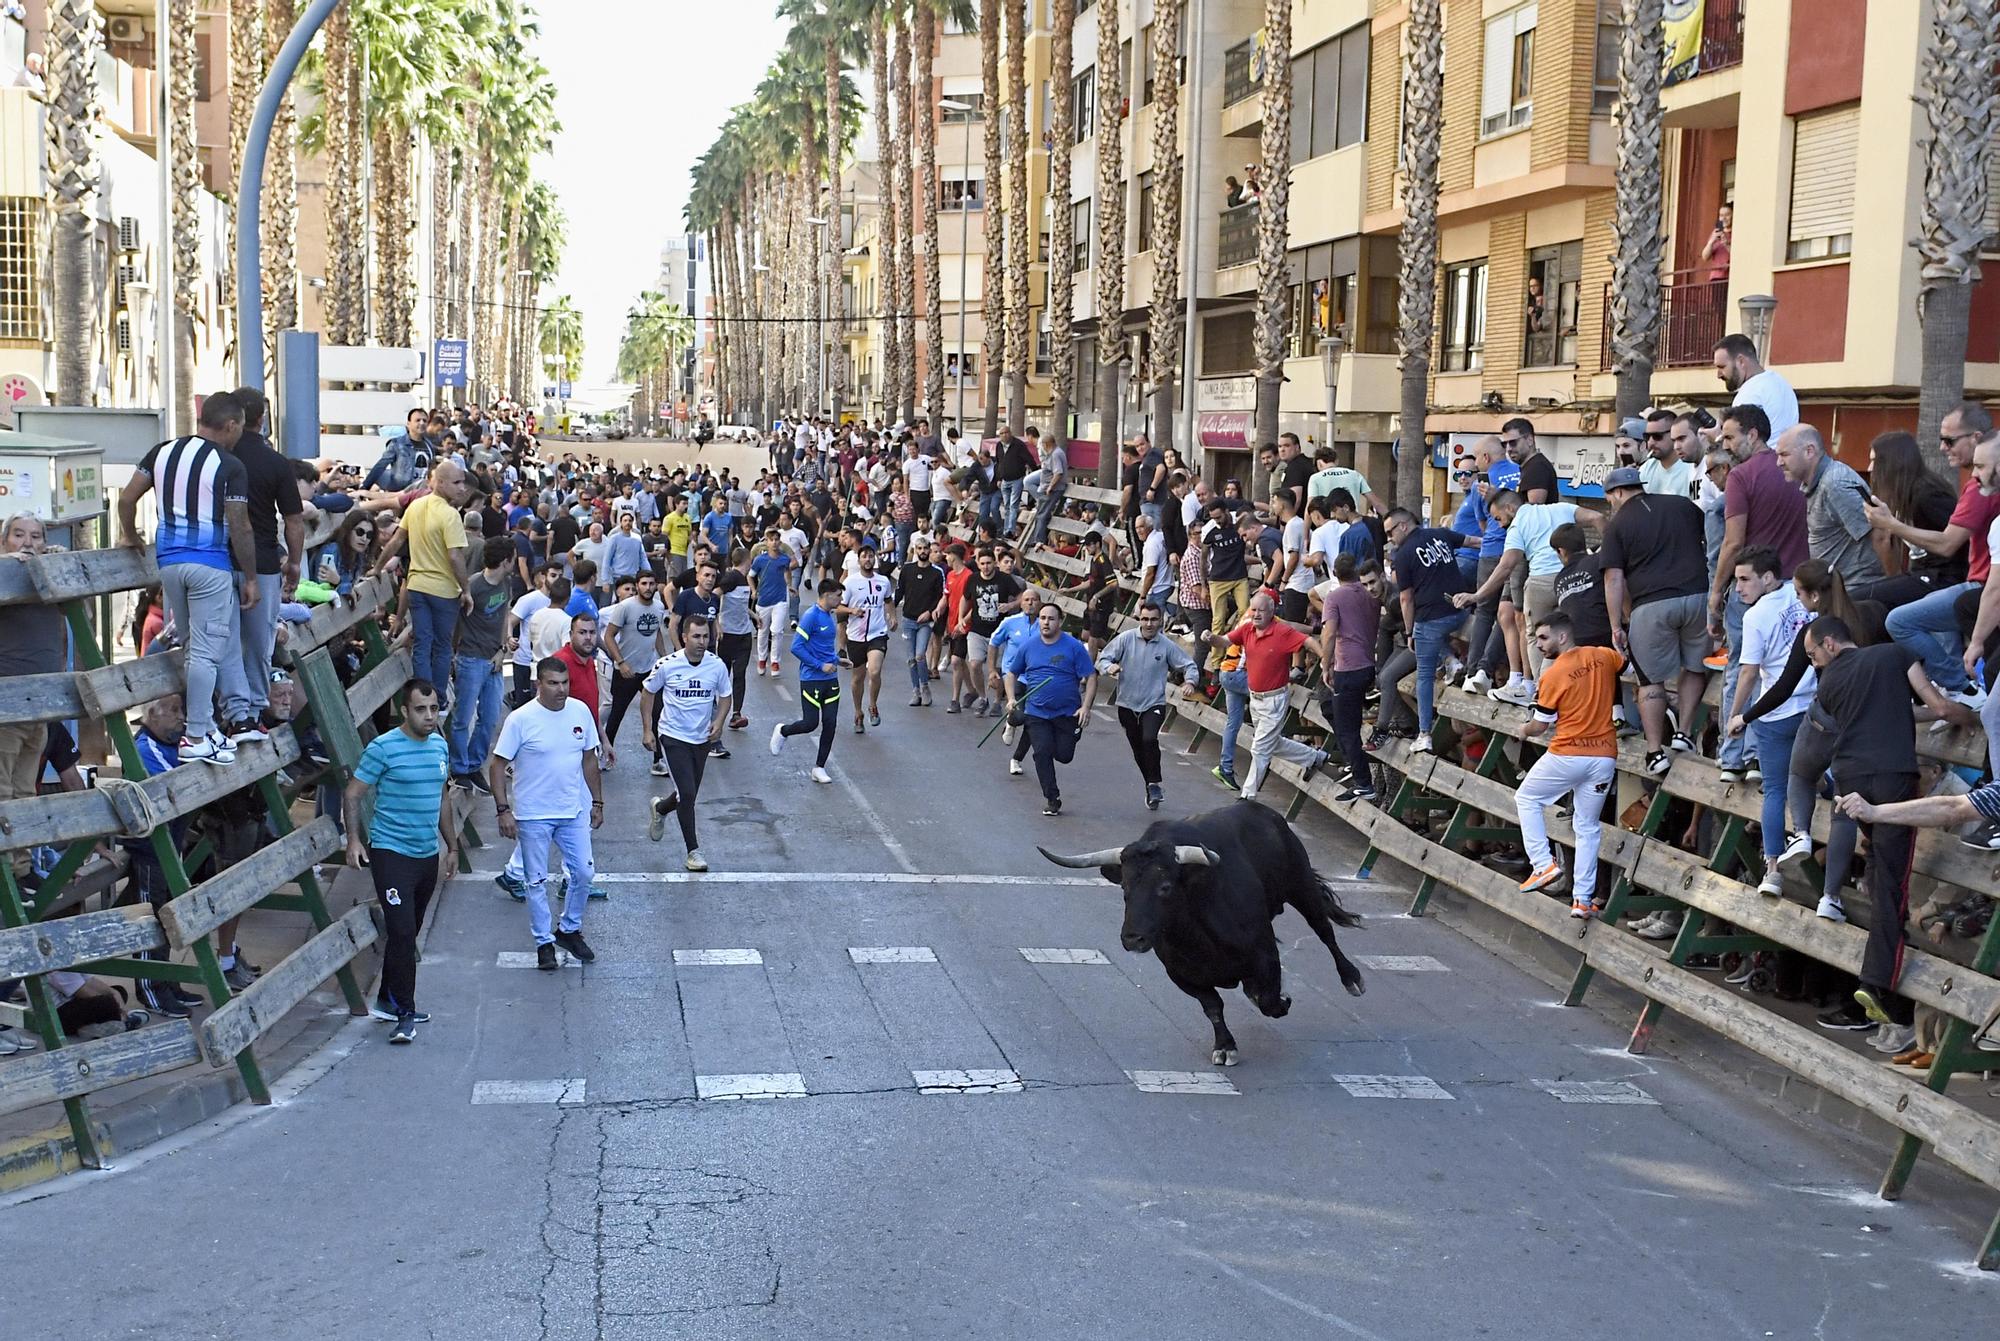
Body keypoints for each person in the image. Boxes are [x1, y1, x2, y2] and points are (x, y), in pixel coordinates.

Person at [1811, 618, 1977, 1045]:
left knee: (1880, 874)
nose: (1816, 660)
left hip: (1850, 780)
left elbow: (1886, 712)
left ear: (1830, 644)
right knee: (1893, 885)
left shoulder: (1829, 681)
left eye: (1814, 654)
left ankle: (1880, 983)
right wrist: (1974, 718)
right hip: (1891, 781)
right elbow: (1938, 708)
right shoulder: (1894, 653)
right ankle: (1879, 982)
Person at [115, 391, 257, 764]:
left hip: (169, 562)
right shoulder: (229, 465)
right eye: (240, 427)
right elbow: (240, 525)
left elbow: (127, 498)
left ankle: (207, 728)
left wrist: (130, 534)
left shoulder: (161, 452)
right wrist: (252, 577)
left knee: (194, 645)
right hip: (209, 563)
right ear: (230, 425)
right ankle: (196, 734)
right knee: (205, 654)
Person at [344, 679, 454, 1043]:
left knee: (408, 932)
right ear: (404, 711)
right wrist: (355, 841)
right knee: (403, 931)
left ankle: (387, 999)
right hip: (391, 853)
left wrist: (452, 847)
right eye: (420, 709)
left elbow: (442, 798)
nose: (428, 716)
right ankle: (405, 1012)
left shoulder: (439, 746)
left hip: (426, 855)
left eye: (434, 708)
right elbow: (353, 793)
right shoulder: (384, 748)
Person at [490, 657, 604, 971]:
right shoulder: (521, 719)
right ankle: (543, 942)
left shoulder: (580, 712)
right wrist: (503, 810)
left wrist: (597, 802)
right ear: (538, 684)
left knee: (583, 873)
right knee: (535, 881)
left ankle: (569, 929)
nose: (561, 689)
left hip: (572, 811)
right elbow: (498, 765)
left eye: (565, 683)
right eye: (553, 683)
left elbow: (589, 760)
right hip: (533, 815)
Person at [1598, 465, 1709, 775]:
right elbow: (1711, 541)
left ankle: (1654, 751)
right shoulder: (1682, 505)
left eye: (1609, 498)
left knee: (1650, 681)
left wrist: (1616, 625)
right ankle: (1684, 733)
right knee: (1695, 666)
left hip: (1651, 605)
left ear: (1617, 492)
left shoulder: (1618, 525)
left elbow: (1613, 579)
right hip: (1698, 596)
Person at [1512, 615, 1623, 919]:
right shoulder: (1603, 656)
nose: (1539, 644)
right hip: (1604, 757)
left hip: (1568, 754)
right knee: (1587, 828)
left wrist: (1522, 730)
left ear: (1563, 637)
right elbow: (1623, 663)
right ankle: (1582, 900)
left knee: (1527, 799)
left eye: (1544, 638)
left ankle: (1542, 864)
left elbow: (1539, 725)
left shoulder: (1552, 674)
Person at [1723, 546, 1815, 896]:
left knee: (1775, 790)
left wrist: (1737, 715)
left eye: (1745, 579)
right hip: (1814, 707)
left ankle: (1773, 870)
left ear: (1767, 577)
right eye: (1736, 581)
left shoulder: (1755, 616)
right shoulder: (1802, 592)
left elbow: (1747, 672)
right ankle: (1804, 835)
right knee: (1817, 777)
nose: (1739, 588)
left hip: (1774, 712)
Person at [1194, 590, 1329, 802]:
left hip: (1274, 699)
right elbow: (1225, 641)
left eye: (1261, 610)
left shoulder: (1281, 631)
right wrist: (1211, 638)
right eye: (1253, 609)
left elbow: (1308, 641)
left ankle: (1248, 796)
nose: (1256, 614)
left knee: (1260, 748)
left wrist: (1324, 661)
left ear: (1272, 612)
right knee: (1270, 743)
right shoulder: (1247, 629)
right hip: (1255, 699)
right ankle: (1315, 757)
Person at [229, 387, 305, 735]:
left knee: (223, 640)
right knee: (260, 642)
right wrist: (294, 564)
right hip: (262, 562)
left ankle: (229, 713)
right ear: (262, 419)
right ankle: (255, 711)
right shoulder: (276, 463)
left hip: (219, 560)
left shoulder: (220, 456)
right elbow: (293, 520)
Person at [376, 461, 475, 698]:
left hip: (417, 586)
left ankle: (421, 695)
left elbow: (397, 541)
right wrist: (466, 589)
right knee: (442, 647)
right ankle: (436, 697)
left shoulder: (416, 506)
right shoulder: (450, 515)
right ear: (440, 483)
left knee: (422, 643)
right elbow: (455, 555)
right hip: (443, 591)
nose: (462, 488)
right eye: (457, 482)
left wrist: (377, 567)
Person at [641, 618, 733, 871]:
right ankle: (693, 852)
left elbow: (725, 696)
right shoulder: (667, 665)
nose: (702, 642)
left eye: (706, 637)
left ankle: (660, 808)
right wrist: (648, 730)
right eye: (697, 637)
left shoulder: (716, 666)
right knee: (688, 795)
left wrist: (719, 720)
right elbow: (648, 693)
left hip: (701, 739)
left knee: (686, 792)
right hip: (672, 737)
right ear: (684, 638)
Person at [1096, 602, 1198, 810]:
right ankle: (1149, 785)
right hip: (1127, 703)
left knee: (1149, 739)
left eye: (1153, 619)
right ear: (1139, 619)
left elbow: (1188, 665)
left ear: (1160, 621)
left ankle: (1154, 784)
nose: (1149, 624)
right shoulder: (1126, 639)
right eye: (1144, 619)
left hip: (1154, 702)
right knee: (1137, 747)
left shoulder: (1166, 645)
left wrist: (1190, 682)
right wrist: (1110, 667)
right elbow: (1102, 658)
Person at [1385, 507, 1472, 753]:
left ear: (1403, 525)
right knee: (1431, 638)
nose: (1389, 538)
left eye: (1390, 532)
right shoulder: (1441, 534)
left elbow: (1405, 599)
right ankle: (1451, 661)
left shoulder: (1402, 555)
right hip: (1459, 610)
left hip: (1431, 617)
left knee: (1424, 676)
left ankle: (1424, 733)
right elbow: (1474, 542)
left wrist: (1409, 631)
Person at [1002, 603, 1098, 816]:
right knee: (1042, 752)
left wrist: (1086, 707)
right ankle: (1052, 798)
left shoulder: (1073, 646)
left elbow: (1091, 676)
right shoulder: (1029, 646)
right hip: (1037, 713)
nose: (1046, 622)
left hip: (1067, 713)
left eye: (1051, 618)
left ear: (1060, 621)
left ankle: (1070, 734)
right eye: (1043, 618)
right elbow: (1011, 673)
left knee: (1064, 756)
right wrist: (1010, 698)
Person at [448, 537, 515, 791]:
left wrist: (502, 649)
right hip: (471, 657)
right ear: (506, 560)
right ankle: (458, 767)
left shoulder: (505, 583)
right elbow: (456, 619)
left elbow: (504, 614)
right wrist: (454, 653)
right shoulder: (474, 586)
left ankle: (474, 765)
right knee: (464, 717)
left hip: (493, 658)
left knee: (489, 717)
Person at [1321, 555, 1383, 802]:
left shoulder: (1334, 597)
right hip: (1368, 663)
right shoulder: (1368, 593)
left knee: (1348, 729)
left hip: (1348, 667)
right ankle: (1352, 762)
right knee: (1328, 706)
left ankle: (1363, 782)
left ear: (1335, 573)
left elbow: (1329, 632)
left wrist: (1326, 665)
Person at [771, 579, 844, 783]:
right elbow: (797, 647)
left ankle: (819, 767)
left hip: (831, 679)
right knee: (811, 723)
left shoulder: (830, 616)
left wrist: (838, 660)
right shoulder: (811, 616)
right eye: (838, 595)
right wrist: (820, 666)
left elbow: (824, 648)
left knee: (830, 723)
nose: (841, 599)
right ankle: (783, 730)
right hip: (812, 679)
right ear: (827, 595)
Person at [600, 570, 669, 759]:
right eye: (644, 584)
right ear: (638, 585)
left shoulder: (659, 606)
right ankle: (607, 754)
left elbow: (657, 632)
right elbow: (608, 636)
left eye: (651, 584)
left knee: (657, 713)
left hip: (649, 670)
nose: (648, 588)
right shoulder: (624, 607)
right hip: (626, 672)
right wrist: (621, 662)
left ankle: (658, 759)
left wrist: (664, 658)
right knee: (617, 715)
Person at [957, 548, 1022, 717]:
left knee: (999, 669)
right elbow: (965, 598)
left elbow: (1022, 596)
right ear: (978, 564)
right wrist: (961, 618)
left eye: (988, 563)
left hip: (999, 631)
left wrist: (1010, 606)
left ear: (994, 563)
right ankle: (983, 698)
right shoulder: (973, 579)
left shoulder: (1004, 579)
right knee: (975, 664)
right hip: (977, 630)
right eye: (982, 564)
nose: (985, 567)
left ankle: (996, 702)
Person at [839, 540, 894, 731]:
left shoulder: (883, 581)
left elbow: (888, 600)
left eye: (871, 556)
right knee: (857, 678)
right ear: (859, 560)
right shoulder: (850, 582)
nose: (868, 559)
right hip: (855, 636)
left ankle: (872, 706)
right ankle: (857, 712)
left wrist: (892, 617)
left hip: (877, 633)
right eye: (864, 556)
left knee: (875, 671)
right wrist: (852, 611)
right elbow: (838, 606)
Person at [1713, 331, 1799, 439]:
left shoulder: (1749, 393)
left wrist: (1716, 439)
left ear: (1741, 361)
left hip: (1760, 455)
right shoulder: (1782, 383)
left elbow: (1739, 445)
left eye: (1722, 367)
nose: (1718, 374)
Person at [896, 534, 944, 706]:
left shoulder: (936, 573)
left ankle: (925, 686)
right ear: (915, 550)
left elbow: (940, 596)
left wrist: (930, 612)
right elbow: (899, 592)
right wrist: (890, 611)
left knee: (920, 655)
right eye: (919, 548)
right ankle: (915, 690)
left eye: (925, 548)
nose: (923, 551)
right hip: (908, 619)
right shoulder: (907, 570)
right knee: (910, 659)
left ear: (929, 550)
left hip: (925, 621)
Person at [750, 528, 796, 676]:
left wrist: (789, 586)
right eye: (771, 540)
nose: (774, 542)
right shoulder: (760, 560)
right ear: (766, 542)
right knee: (763, 632)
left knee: (777, 631)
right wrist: (753, 590)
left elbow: (787, 572)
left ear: (780, 542)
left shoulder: (784, 559)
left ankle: (775, 662)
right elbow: (750, 576)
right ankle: (762, 659)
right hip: (763, 601)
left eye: (777, 539)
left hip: (780, 600)